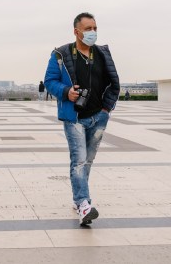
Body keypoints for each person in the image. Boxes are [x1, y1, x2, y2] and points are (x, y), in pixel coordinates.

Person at [44, 12, 119, 226]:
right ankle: (83, 203)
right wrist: (66, 91)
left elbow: (114, 83)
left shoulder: (103, 54)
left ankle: (80, 201)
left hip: (98, 116)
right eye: (88, 29)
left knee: (88, 160)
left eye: (94, 28)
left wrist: (106, 109)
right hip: (74, 117)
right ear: (76, 31)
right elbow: (49, 81)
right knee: (78, 160)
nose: (92, 32)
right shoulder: (61, 54)